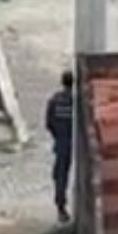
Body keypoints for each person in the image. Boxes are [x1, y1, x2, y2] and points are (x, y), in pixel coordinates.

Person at [46, 71, 75, 223]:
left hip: (62, 142)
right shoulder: (76, 100)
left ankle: (61, 206)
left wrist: (57, 135)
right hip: (76, 142)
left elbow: (49, 123)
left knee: (60, 175)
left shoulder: (54, 100)